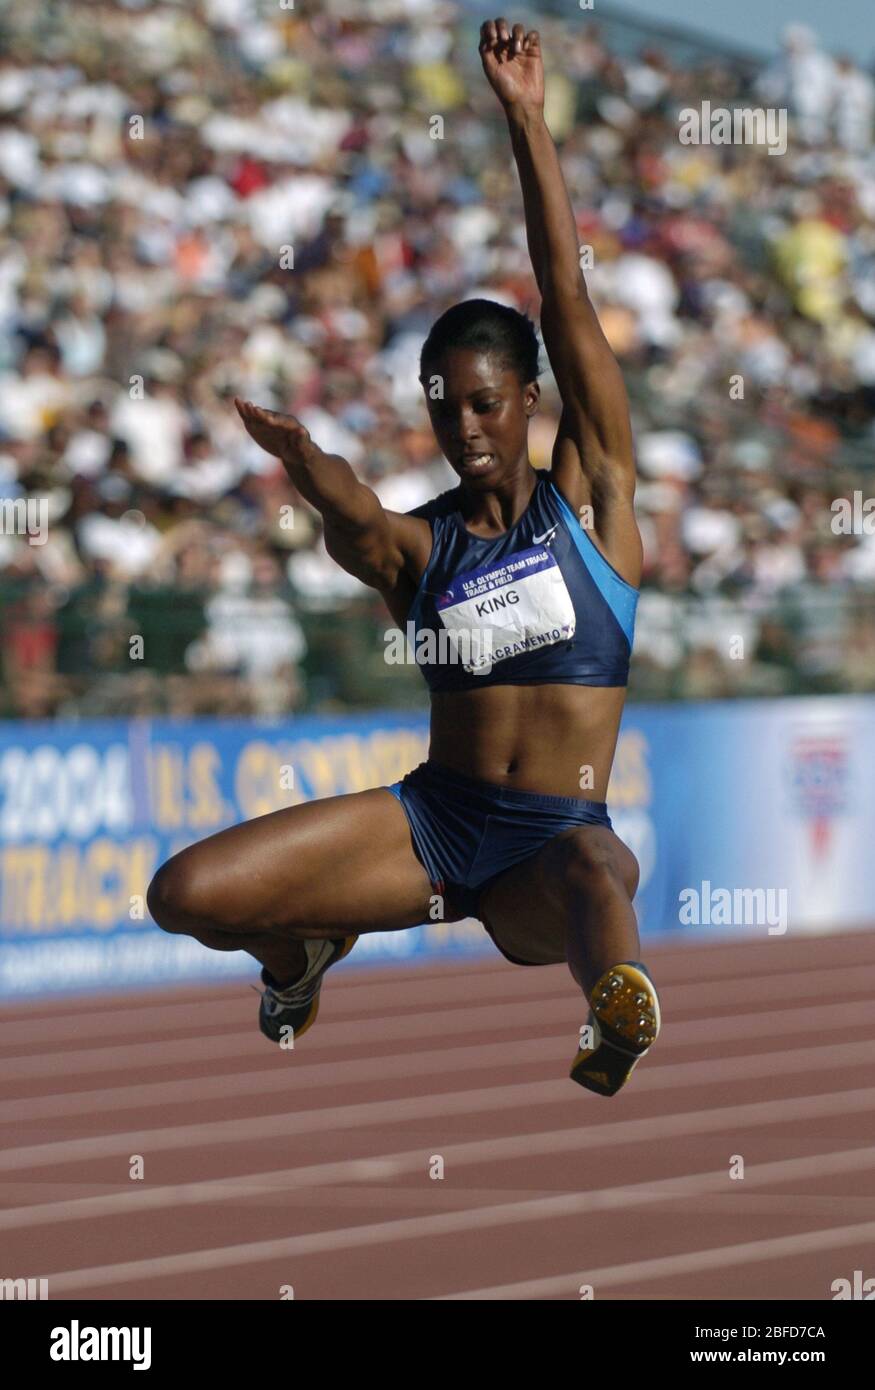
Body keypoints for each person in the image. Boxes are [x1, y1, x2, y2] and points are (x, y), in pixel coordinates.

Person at [147, 19, 660, 1097]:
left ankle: (613, 1016)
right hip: (432, 826)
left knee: (599, 866)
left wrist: (524, 120)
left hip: (545, 845)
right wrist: (302, 459)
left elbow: (563, 294)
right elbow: (358, 520)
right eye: (443, 405)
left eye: (485, 402)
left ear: (528, 400)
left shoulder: (593, 500)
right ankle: (299, 953)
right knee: (184, 892)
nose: (465, 425)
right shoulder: (419, 549)